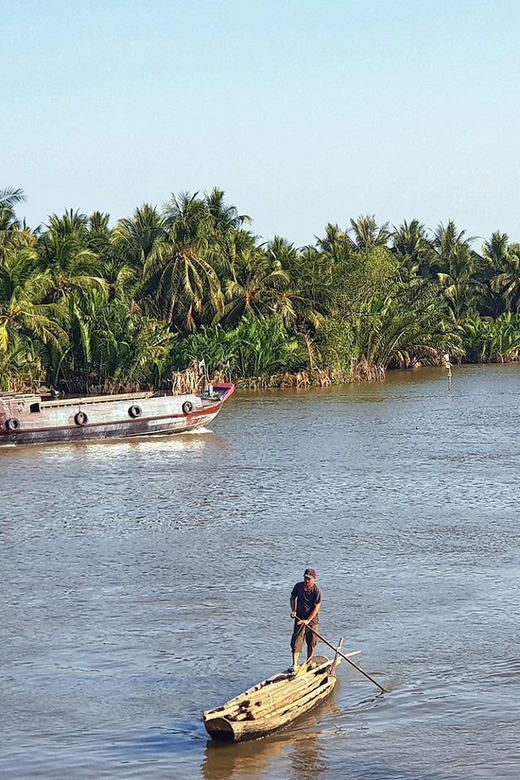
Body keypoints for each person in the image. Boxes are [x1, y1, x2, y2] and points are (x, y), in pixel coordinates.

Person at [289, 568, 322, 673]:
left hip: (312, 620)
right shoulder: (298, 586)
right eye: (305, 578)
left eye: (309, 579)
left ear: (314, 580)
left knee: (312, 642)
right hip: (299, 618)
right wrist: (293, 610)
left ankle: (309, 661)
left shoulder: (317, 591)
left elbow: (317, 608)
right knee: (296, 642)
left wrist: (307, 620)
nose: (306, 580)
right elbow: (292, 597)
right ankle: (295, 664)